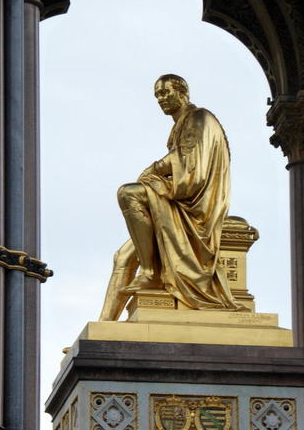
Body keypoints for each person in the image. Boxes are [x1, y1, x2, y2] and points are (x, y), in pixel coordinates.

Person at [99, 74, 240, 321]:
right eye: (157, 95)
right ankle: (103, 326)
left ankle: (150, 272)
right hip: (177, 203)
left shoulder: (199, 118)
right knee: (122, 257)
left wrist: (154, 169)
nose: (160, 99)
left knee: (128, 194)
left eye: (165, 93)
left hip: (192, 208)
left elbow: (190, 166)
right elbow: (181, 158)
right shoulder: (182, 125)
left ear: (183, 92)